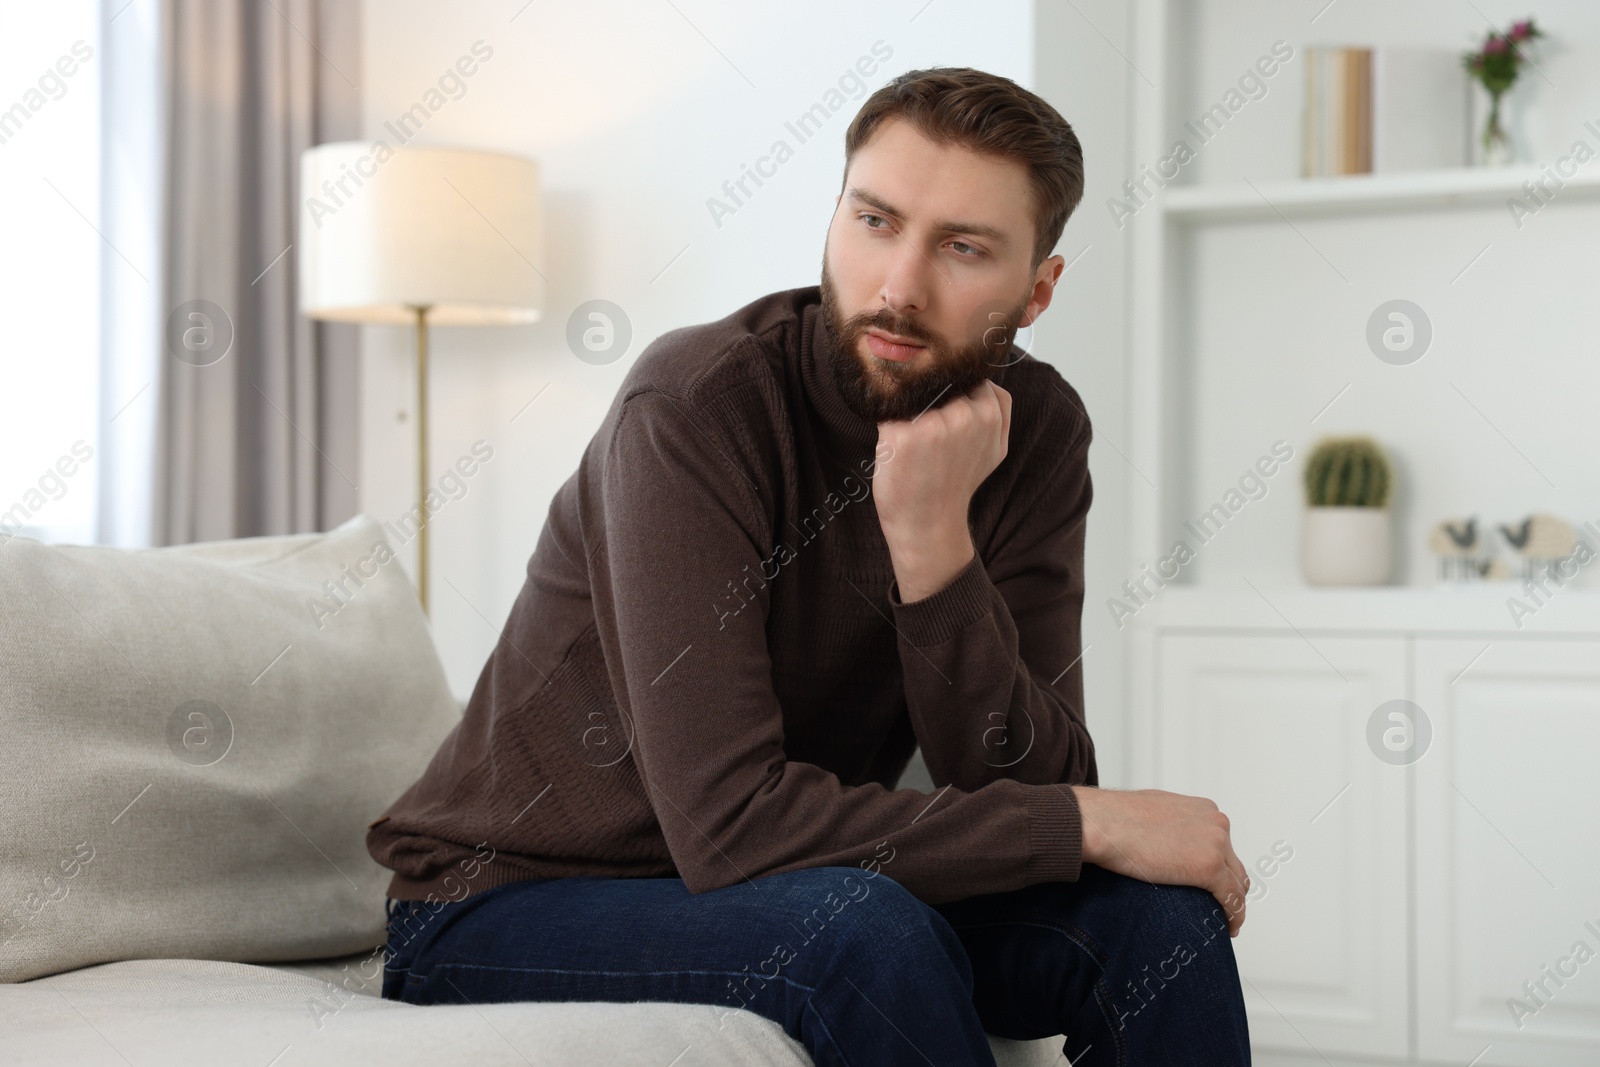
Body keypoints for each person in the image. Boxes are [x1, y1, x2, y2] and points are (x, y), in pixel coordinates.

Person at [367, 65, 1253, 1066]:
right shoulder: (698, 405)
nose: (898, 286)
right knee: (860, 925)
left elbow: (1029, 777)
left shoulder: (1035, 431)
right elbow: (730, 823)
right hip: (504, 903)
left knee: (1156, 924)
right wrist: (1084, 818)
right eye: (875, 221)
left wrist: (934, 548)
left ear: (1036, 290)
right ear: (835, 214)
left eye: (962, 248)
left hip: (783, 877)